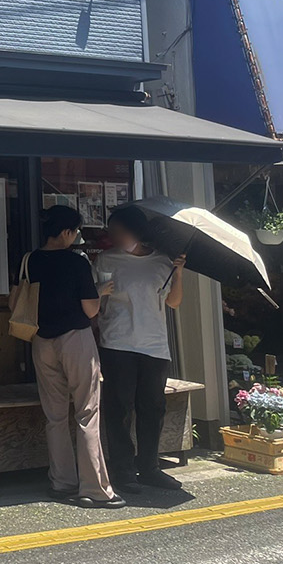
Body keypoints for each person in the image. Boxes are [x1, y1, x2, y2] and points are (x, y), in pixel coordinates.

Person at [27, 205, 124, 508]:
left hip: (41, 341)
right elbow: (90, 309)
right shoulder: (77, 262)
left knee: (54, 415)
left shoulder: (30, 260)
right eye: (76, 231)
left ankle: (62, 481)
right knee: (87, 412)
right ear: (67, 232)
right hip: (75, 340)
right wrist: (101, 291)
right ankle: (95, 489)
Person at [97, 205, 188, 492]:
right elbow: (96, 301)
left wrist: (179, 273)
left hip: (154, 344)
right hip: (117, 342)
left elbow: (173, 303)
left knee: (152, 407)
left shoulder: (163, 262)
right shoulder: (105, 259)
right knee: (119, 407)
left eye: (116, 230)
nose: (112, 236)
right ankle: (123, 471)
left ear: (134, 230)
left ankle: (149, 467)